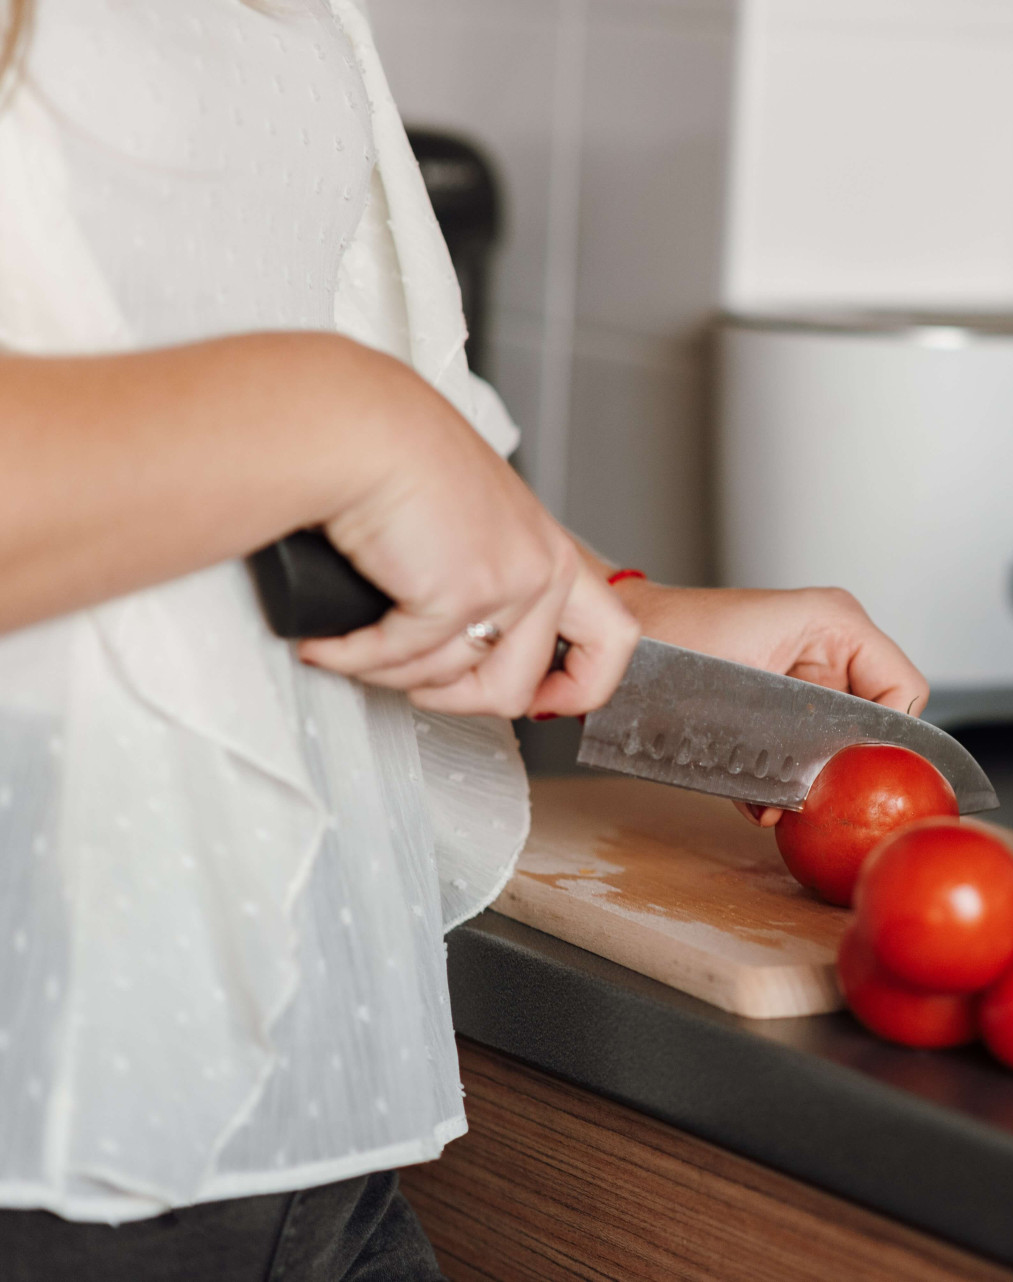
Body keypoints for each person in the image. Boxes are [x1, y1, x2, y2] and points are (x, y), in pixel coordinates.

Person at [0, 2, 928, 1278]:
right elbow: (311, 428)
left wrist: (600, 602)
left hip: (283, 1114)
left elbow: (178, 372)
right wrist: (352, 423)